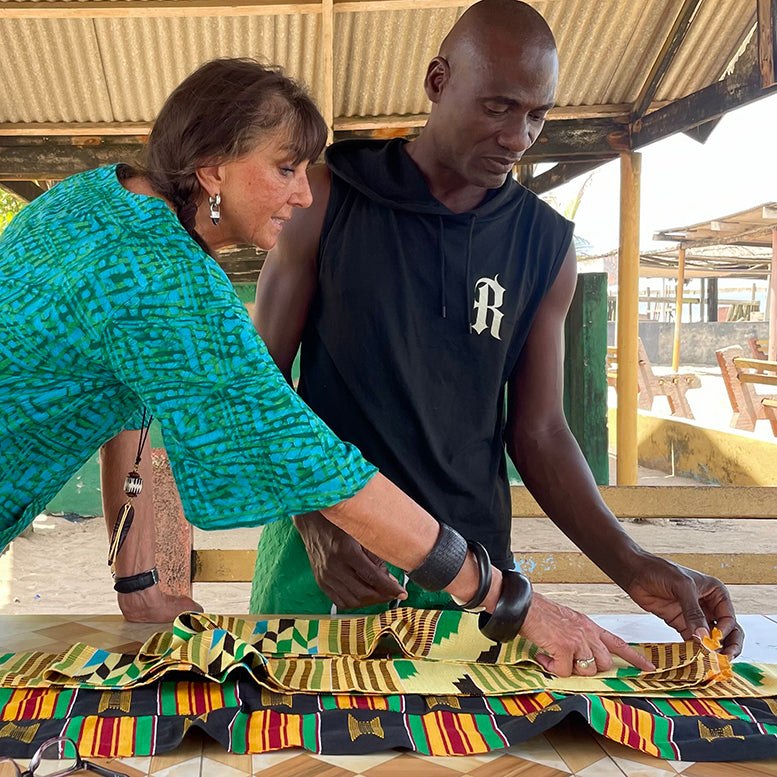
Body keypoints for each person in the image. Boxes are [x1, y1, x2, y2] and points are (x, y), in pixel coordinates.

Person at [0, 57, 655, 677]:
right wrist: (510, 599)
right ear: (212, 169)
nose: (303, 194)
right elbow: (306, 455)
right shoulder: (158, 273)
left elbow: (131, 400)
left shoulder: (99, 197)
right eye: (285, 168)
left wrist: (138, 582)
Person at [250, 1, 744, 658]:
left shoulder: (544, 247)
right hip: (331, 554)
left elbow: (537, 431)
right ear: (437, 81)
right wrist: (315, 512)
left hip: (472, 572)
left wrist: (630, 562)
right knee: (299, 753)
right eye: (498, 107)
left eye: (536, 114)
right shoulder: (329, 198)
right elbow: (255, 385)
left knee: (469, 756)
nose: (518, 136)